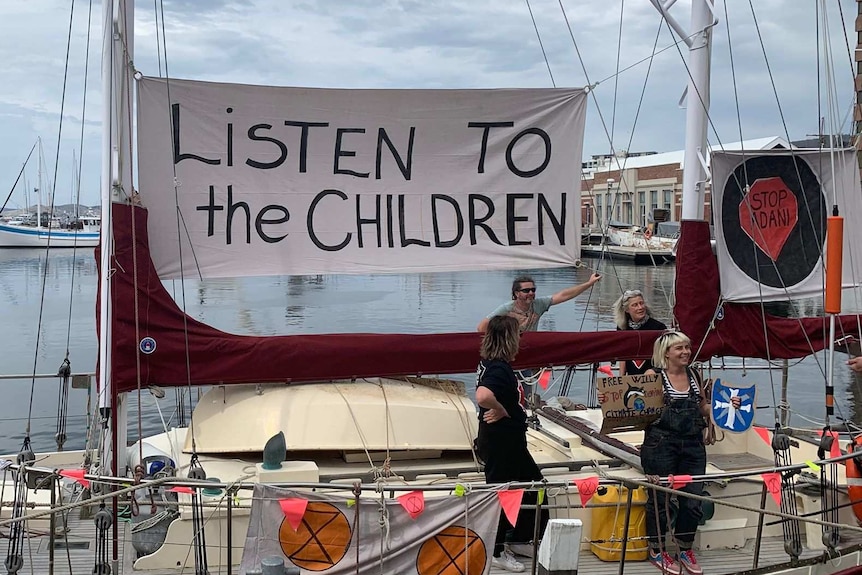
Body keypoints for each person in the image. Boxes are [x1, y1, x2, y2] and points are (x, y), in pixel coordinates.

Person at [641, 330, 736, 575]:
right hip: (660, 444)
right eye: (679, 348)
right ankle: (656, 549)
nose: (685, 352)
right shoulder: (654, 376)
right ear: (666, 353)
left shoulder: (694, 374)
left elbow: (703, 407)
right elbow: (635, 406)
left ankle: (684, 547)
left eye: (687, 347)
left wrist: (722, 404)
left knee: (693, 500)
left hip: (693, 445)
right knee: (659, 500)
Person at [474, 315, 543, 573]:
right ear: (509, 340)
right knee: (502, 492)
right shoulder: (498, 369)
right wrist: (501, 409)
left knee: (534, 484)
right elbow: (482, 395)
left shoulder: (490, 362)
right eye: (518, 336)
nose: (521, 340)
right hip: (500, 441)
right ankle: (497, 549)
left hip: (510, 441)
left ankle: (519, 538)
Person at [477, 272, 602, 333]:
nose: (531, 293)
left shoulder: (539, 304)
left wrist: (589, 283)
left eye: (533, 290)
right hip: (510, 352)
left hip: (530, 350)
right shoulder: (507, 308)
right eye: (526, 290)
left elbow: (563, 295)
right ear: (516, 293)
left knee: (528, 382)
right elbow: (482, 327)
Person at [613, 289, 666, 375]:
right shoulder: (622, 328)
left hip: (653, 375)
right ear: (626, 310)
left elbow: (664, 356)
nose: (640, 307)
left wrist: (654, 370)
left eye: (641, 303)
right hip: (631, 376)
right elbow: (623, 354)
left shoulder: (659, 327)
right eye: (635, 305)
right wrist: (621, 378)